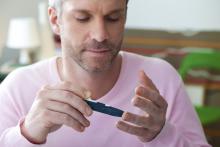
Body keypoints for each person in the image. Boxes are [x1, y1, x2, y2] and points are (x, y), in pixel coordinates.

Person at [0, 0, 211, 146]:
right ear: (55, 20)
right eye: (83, 18)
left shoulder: (162, 79)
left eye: (113, 18)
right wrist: (27, 134)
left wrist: (163, 134)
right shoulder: (17, 87)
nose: (100, 35)